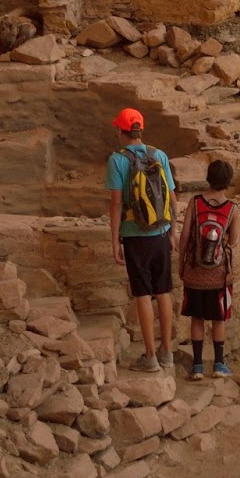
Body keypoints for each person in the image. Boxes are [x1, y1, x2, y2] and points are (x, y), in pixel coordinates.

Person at [106, 107, 177, 372]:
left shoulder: (117, 160)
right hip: (160, 231)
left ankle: (150, 357)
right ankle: (167, 351)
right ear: (141, 130)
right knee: (163, 291)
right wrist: (173, 230)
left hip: (135, 235)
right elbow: (171, 196)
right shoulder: (158, 155)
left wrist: (114, 241)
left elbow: (115, 204)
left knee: (144, 294)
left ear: (120, 130)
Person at [179, 159, 238, 380]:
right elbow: (233, 241)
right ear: (228, 181)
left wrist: (181, 263)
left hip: (195, 272)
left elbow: (184, 236)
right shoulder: (232, 209)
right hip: (219, 275)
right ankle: (219, 364)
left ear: (208, 178)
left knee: (197, 318)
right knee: (218, 320)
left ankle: (197, 366)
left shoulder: (195, 204)